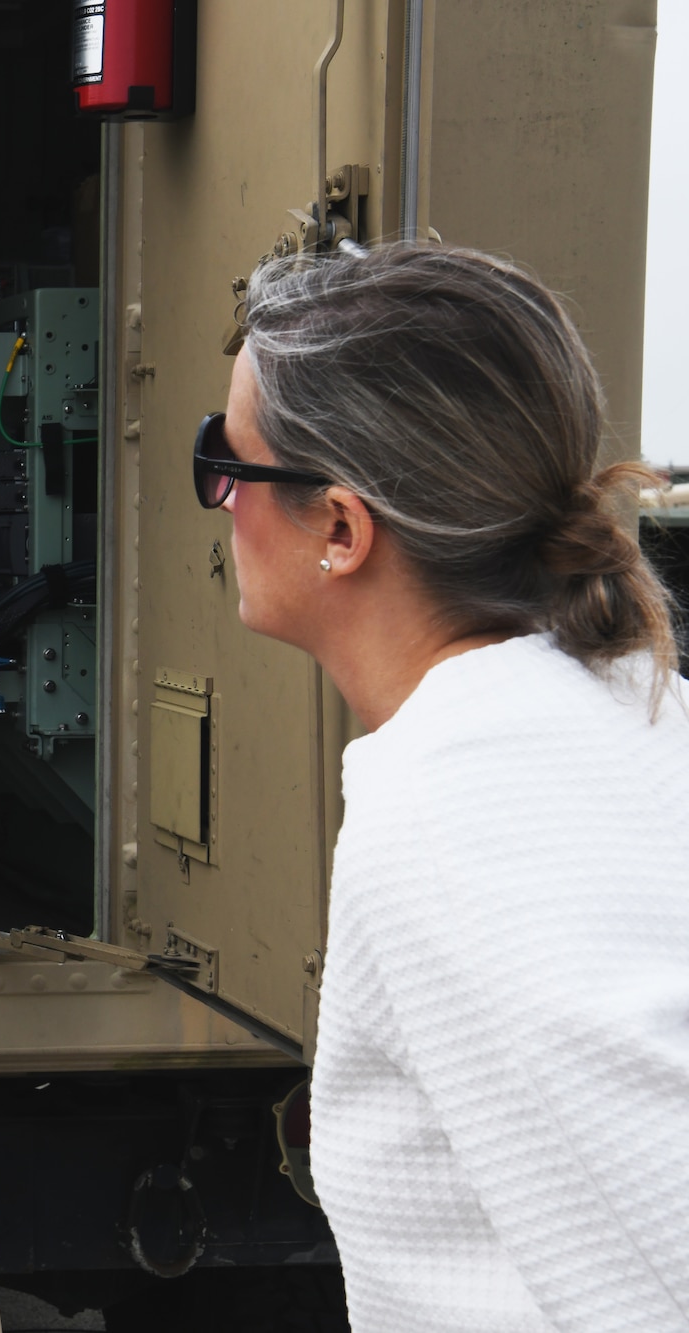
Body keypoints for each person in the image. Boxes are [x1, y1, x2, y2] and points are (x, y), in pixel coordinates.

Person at [198, 240, 689, 1330]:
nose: (219, 498)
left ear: (337, 527)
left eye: (225, 462)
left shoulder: (457, 822)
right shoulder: (618, 711)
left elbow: (661, 1246)